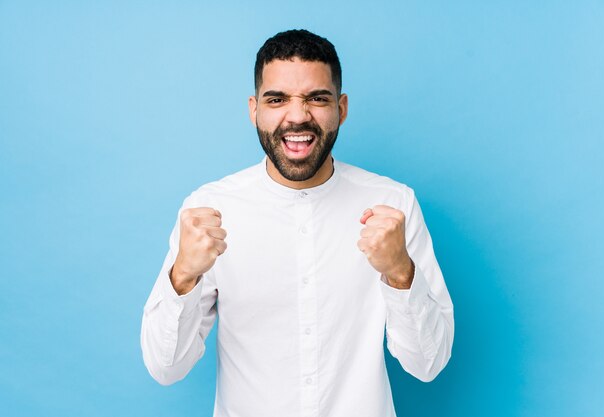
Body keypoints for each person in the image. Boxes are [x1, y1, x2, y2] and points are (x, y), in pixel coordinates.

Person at [141, 29, 454, 417]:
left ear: (341, 108)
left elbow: (428, 363)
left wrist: (401, 273)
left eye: (317, 98)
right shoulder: (208, 210)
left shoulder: (393, 204)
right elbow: (165, 367)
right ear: (254, 109)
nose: (297, 116)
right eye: (277, 99)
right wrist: (183, 276)